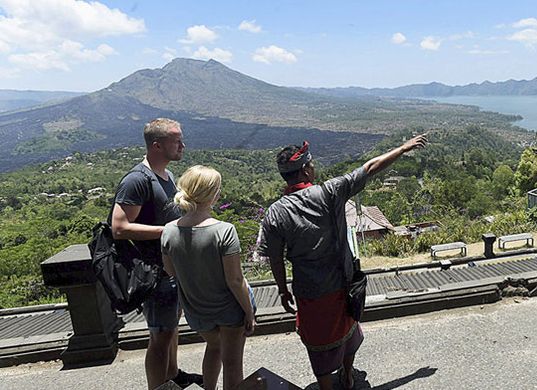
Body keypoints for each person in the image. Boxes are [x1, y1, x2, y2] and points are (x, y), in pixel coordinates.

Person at [258, 134, 428, 390]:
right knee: (349, 334)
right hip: (342, 284)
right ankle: (347, 377)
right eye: (311, 163)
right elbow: (370, 168)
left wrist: (282, 290)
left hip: (309, 291)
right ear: (305, 169)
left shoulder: (275, 212)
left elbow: (275, 258)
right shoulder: (330, 192)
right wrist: (402, 149)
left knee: (318, 344)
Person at [111, 118, 203, 389]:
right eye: (177, 141)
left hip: (170, 269)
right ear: (157, 145)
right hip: (153, 272)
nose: (183, 146)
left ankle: (173, 375)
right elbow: (119, 227)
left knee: (171, 329)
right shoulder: (137, 180)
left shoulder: (167, 175)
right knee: (160, 336)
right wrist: (167, 231)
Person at [161, 165, 256, 390]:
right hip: (228, 311)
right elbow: (235, 280)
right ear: (213, 195)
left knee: (213, 348)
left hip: (197, 311)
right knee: (233, 364)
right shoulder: (224, 231)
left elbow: (171, 272)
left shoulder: (168, 230)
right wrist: (249, 312)